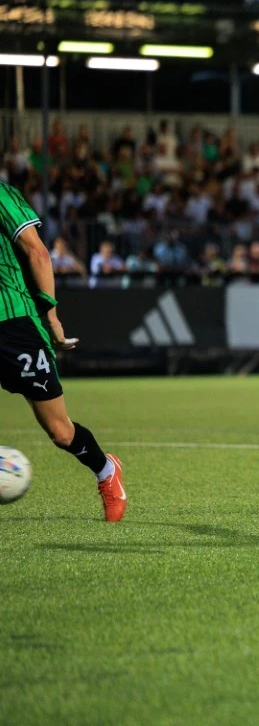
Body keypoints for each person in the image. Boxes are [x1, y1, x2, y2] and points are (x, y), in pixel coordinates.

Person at [0, 181, 126, 521]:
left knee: (59, 431)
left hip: (14, 324)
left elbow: (37, 252)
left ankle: (105, 470)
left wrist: (51, 316)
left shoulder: (2, 195)